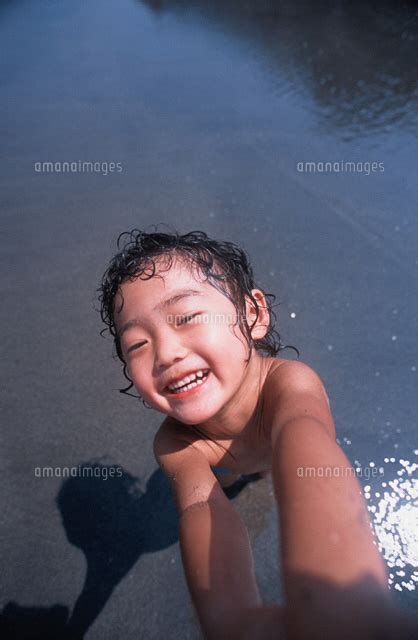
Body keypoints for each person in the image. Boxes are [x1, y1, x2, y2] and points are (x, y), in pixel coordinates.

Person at [98, 226, 418, 640]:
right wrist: (230, 618)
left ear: (253, 315)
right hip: (224, 466)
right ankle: (240, 476)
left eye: (188, 318)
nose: (167, 353)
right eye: (137, 345)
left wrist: (336, 594)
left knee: (281, 466)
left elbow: (307, 448)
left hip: (281, 451)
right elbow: (201, 510)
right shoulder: (175, 443)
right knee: (225, 483)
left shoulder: (289, 386)